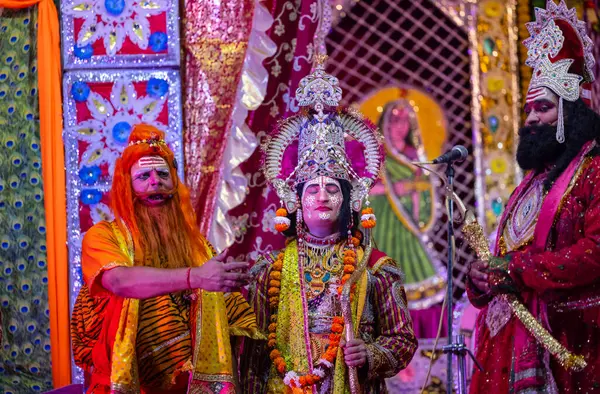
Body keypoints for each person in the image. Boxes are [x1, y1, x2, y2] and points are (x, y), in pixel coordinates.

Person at [239, 58, 417, 393]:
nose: (323, 195)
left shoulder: (375, 268)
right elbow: (253, 351)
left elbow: (402, 339)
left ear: (349, 201)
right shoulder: (268, 272)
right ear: (296, 203)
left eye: (333, 188)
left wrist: (370, 353)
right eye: (313, 189)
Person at [467, 1, 600, 392]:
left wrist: (516, 268)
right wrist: (483, 277)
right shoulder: (530, 182)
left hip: (569, 343)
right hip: (504, 347)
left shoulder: (593, 171)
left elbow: (595, 251)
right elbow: (507, 253)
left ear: (570, 114)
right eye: (527, 109)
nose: (528, 119)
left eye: (542, 107)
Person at [70, 124, 263, 394]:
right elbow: (119, 281)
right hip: (128, 382)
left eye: (163, 174)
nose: (155, 182)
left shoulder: (197, 248)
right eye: (143, 176)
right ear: (127, 187)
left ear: (175, 184)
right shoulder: (103, 236)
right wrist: (194, 277)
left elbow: (223, 327)